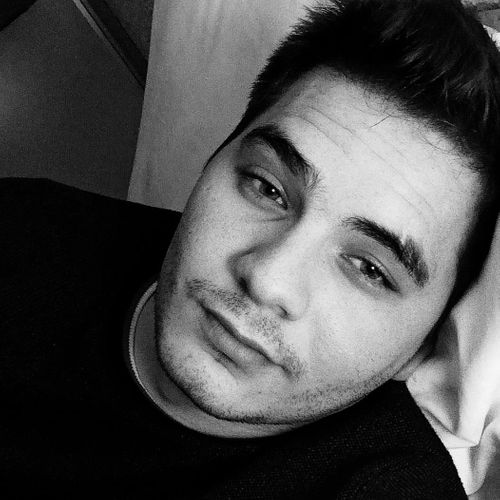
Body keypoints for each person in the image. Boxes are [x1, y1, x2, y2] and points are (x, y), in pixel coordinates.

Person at [1, 0, 499, 497]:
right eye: (268, 188)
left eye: (369, 268)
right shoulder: (22, 231)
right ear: (212, 161)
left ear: (421, 348)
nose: (268, 278)